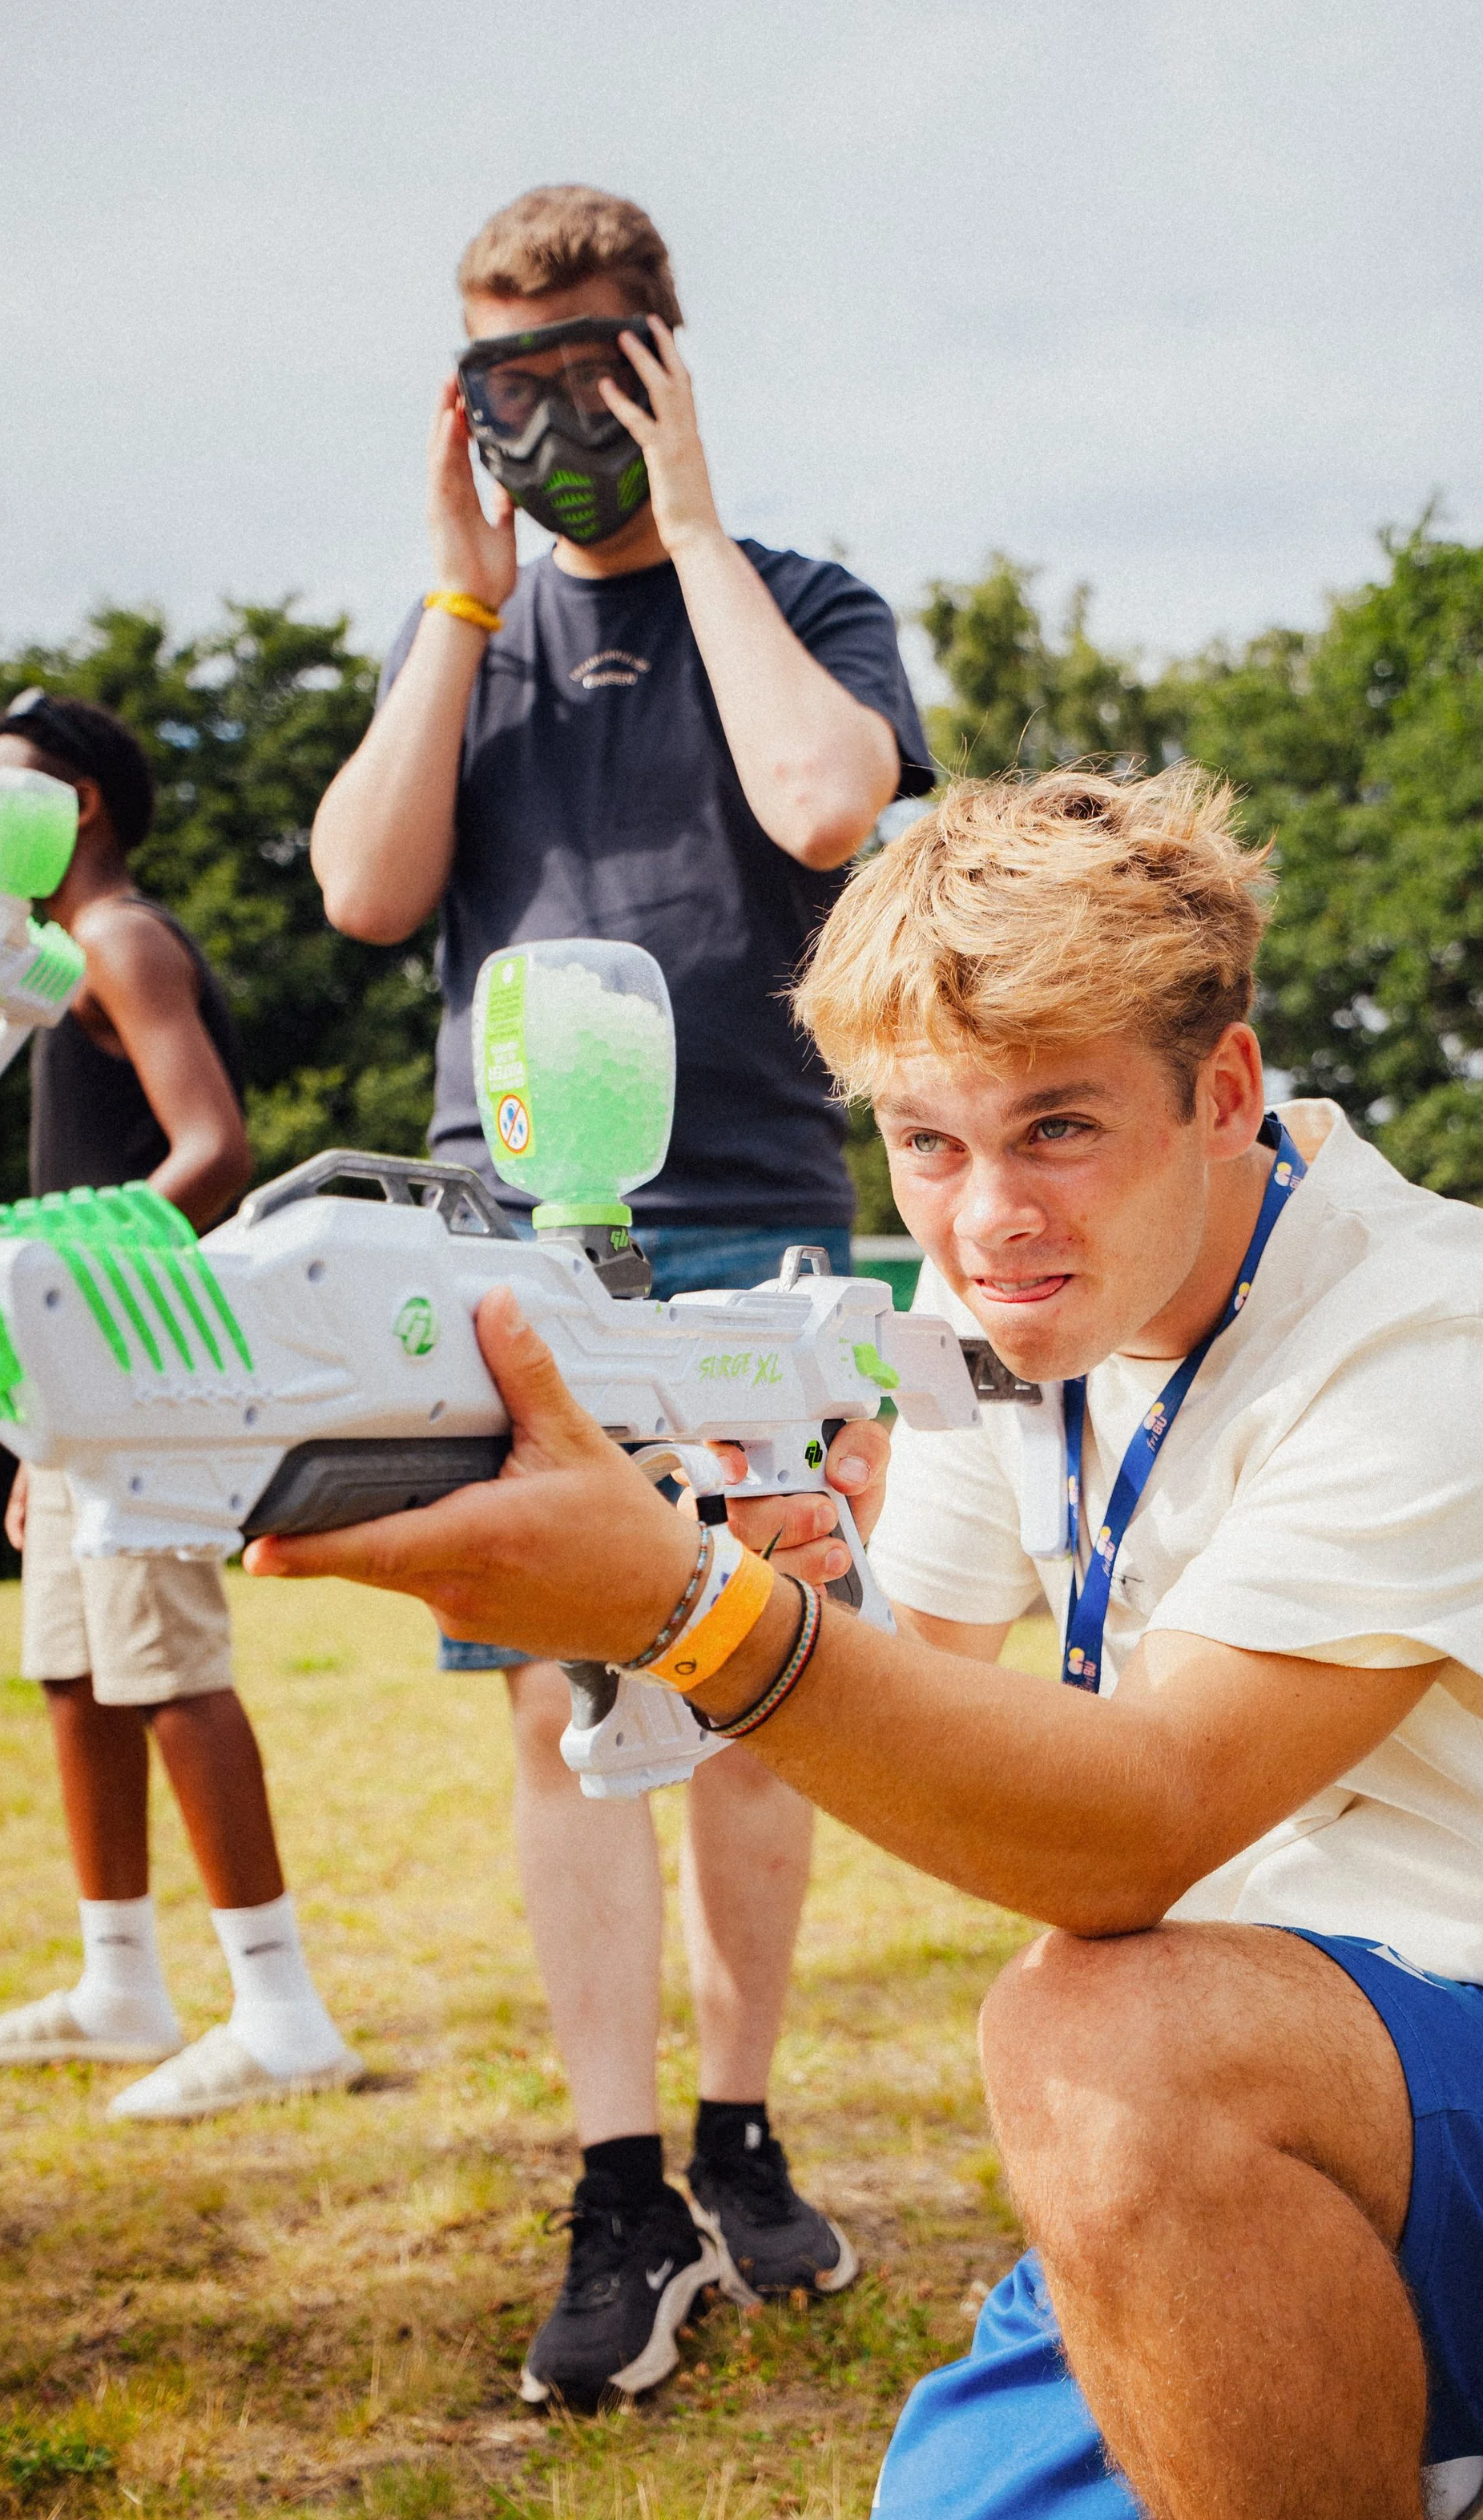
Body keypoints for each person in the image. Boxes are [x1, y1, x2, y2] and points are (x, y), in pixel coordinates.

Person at [247, 768, 1483, 2520]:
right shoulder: (1005, 1336)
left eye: (1057, 1126)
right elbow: (931, 1683)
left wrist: (691, 1611)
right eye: (926, 1141)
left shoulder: (1437, 1345)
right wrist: (763, 1577)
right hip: (1210, 2152)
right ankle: (1419, 2470)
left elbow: (1124, 1825)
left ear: (1222, 1088)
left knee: (1087, 2017)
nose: (983, 1220)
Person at [310, 184, 933, 2406]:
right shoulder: (462, 645)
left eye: (585, 370)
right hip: (513, 1247)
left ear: (661, 363)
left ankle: (741, 2128)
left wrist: (688, 520)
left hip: (750, 1211)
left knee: (758, 1676)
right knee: (553, 1703)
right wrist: (451, 592)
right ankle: (616, 2187)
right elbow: (363, 885)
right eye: (505, 380)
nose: (544, 419)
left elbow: (828, 800)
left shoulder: (802, 600)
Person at [0, 696, 361, 2120]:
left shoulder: (123, 939)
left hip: (135, 1360)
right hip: (75, 1377)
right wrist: (39, 1387)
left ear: (82, 803)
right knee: (75, 1671)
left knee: (169, 1670)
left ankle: (284, 2012)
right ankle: (119, 1978)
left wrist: (70, 1303)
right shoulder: (61, 963)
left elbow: (213, 1149)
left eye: (5, 789)